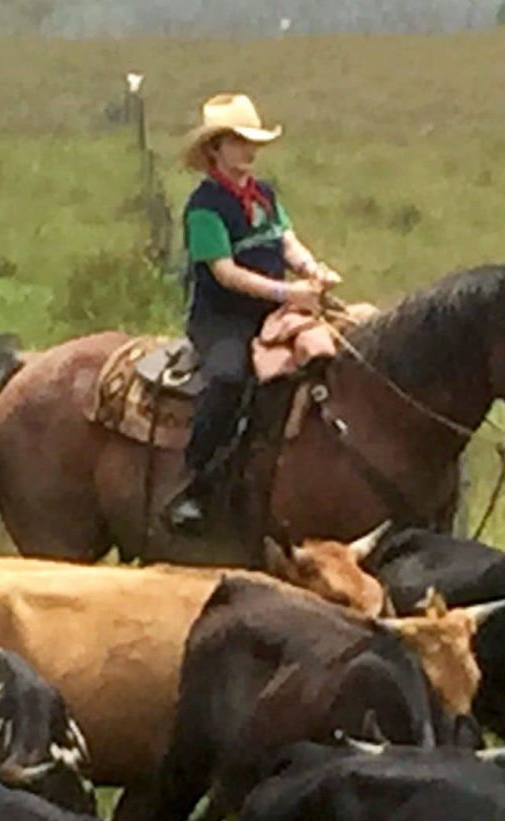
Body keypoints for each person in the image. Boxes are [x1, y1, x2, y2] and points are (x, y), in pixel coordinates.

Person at [163, 93, 341, 537]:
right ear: (215, 149)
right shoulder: (204, 206)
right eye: (239, 141)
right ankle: (195, 484)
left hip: (275, 311)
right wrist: (290, 291)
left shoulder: (263, 194)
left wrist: (312, 269)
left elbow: (286, 241)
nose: (249, 150)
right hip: (222, 319)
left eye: (252, 141)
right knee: (226, 378)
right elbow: (224, 272)